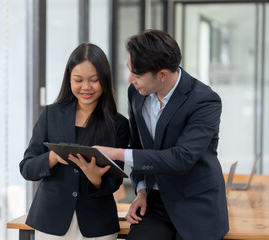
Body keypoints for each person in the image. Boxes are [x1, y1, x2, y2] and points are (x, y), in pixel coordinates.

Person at [95, 29, 229, 240]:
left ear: (162, 74)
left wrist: (117, 154)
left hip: (196, 203)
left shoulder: (204, 101)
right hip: (156, 201)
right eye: (129, 71)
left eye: (137, 74)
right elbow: (140, 145)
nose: (130, 79)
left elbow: (181, 158)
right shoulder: (137, 94)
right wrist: (141, 191)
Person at [19, 43, 129, 240]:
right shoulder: (51, 114)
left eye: (94, 80)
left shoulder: (118, 124)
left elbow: (115, 181)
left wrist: (95, 179)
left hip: (97, 224)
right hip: (51, 221)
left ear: (104, 80)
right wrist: (52, 157)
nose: (86, 87)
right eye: (78, 80)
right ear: (69, 79)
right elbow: (27, 168)